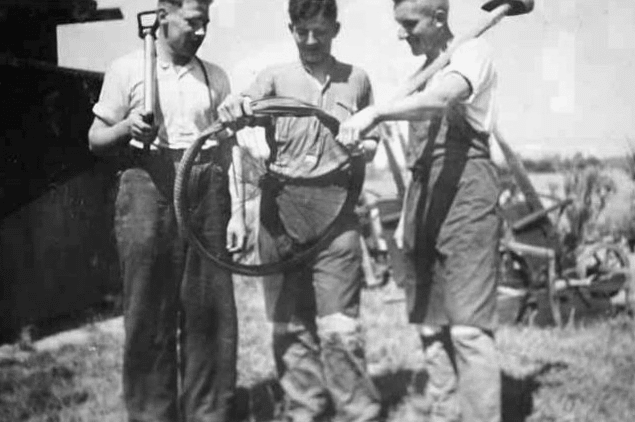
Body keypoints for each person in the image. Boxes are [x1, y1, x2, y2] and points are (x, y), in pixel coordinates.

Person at [217, 1, 382, 420]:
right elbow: (237, 115)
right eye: (301, 31)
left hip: (336, 212)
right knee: (289, 326)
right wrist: (233, 106)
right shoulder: (273, 77)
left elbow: (374, 140)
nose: (311, 41)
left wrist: (364, 147)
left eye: (320, 32)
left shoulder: (357, 80)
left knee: (341, 328)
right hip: (281, 211)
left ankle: (358, 412)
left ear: (336, 28)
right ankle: (304, 409)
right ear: (291, 28)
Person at [338, 0, 502, 421]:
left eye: (408, 23)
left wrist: (376, 111)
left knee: (467, 329)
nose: (401, 33)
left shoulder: (470, 56)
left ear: (439, 18)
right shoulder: (418, 75)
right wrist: (408, 217)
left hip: (467, 197)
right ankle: (446, 414)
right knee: (430, 325)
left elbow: (440, 101)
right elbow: (419, 154)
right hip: (424, 202)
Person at [87, 1, 246, 421]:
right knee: (147, 313)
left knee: (209, 310)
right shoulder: (127, 69)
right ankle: (151, 413)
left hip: (206, 190)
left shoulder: (214, 76)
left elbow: (230, 149)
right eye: (193, 22)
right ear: (163, 16)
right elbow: (95, 139)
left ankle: (208, 411)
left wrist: (240, 213)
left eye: (206, 23)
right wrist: (125, 129)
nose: (201, 31)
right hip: (146, 189)